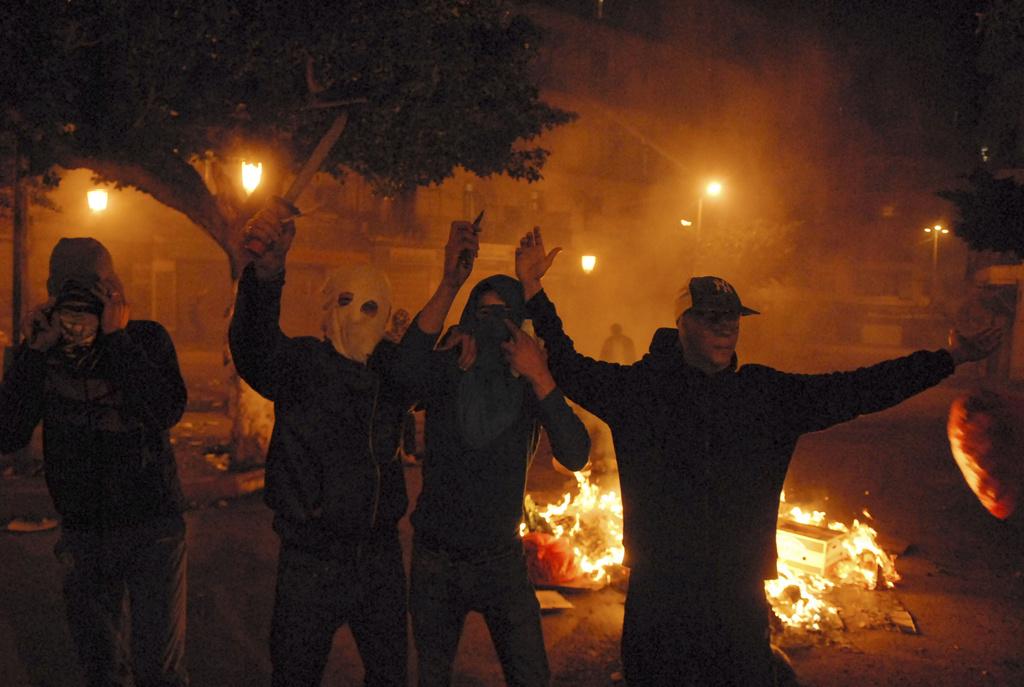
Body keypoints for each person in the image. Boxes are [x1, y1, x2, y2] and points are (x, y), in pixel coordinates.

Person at [514, 227, 1002, 687]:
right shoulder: (640, 392)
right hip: (659, 595)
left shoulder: (765, 395)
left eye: (732, 316)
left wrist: (947, 359)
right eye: (711, 316)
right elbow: (569, 363)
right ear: (681, 324)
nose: (726, 327)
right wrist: (533, 289)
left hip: (737, 596)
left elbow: (860, 388)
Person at [398, 220, 591, 686]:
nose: (491, 327)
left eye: (504, 316)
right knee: (432, 676)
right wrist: (449, 283)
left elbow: (576, 453)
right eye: (481, 315)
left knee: (530, 676)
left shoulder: (526, 381)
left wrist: (540, 377)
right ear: (467, 318)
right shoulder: (449, 366)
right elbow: (402, 373)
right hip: (436, 559)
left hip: (501, 560)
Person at [228, 199, 410, 687]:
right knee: (294, 673)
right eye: (343, 302)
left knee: (390, 673)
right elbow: (254, 347)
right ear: (326, 310)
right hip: (310, 560)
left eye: (370, 306)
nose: (354, 317)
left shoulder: (392, 376)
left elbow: (432, 379)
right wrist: (266, 276)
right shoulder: (302, 366)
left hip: (379, 559)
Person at [0, 237, 189, 686]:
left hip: (152, 527)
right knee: (99, 669)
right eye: (74, 288)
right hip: (85, 533)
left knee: (158, 673)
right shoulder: (41, 354)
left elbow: (165, 410)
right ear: (52, 292)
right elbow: (7, 434)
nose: (87, 299)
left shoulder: (144, 338)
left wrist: (117, 338)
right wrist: (32, 354)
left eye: (100, 285)